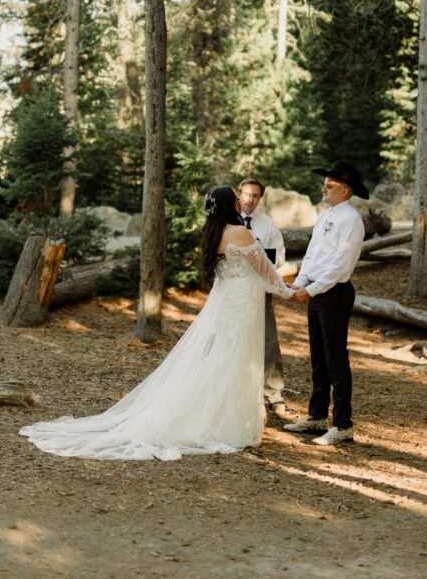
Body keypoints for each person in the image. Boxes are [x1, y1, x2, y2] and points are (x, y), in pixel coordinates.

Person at [20, 186, 293, 461]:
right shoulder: (240, 233)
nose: (239, 202)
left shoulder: (214, 233)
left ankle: (223, 415)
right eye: (235, 199)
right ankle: (230, 422)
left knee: (225, 357)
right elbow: (267, 273)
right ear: (228, 205)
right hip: (242, 303)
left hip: (229, 302)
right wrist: (291, 292)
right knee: (239, 358)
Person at [284, 161, 368, 446]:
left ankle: (343, 424)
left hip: (335, 294)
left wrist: (313, 289)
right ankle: (317, 416)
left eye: (330, 185)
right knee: (318, 359)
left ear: (345, 191)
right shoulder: (326, 216)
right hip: (317, 292)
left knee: (335, 359)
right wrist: (301, 282)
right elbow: (313, 255)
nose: (324, 189)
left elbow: (340, 266)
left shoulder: (351, 220)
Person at [237, 177, 289, 419]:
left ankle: (274, 393)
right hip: (234, 290)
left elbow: (278, 256)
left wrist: (259, 258)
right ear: (238, 195)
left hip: (260, 290)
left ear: (260, 198)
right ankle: (239, 391)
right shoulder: (228, 222)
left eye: (255, 195)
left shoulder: (267, 224)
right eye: (246, 194)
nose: (250, 199)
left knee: (268, 340)